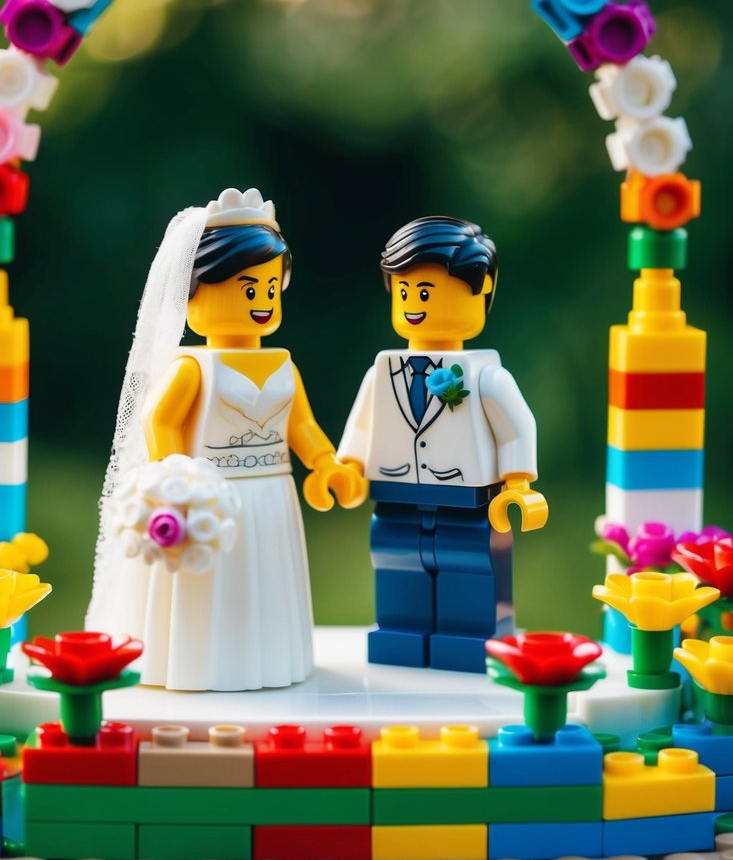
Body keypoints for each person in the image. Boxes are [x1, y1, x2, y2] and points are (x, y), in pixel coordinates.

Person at [87, 188, 365, 691]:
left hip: (272, 495)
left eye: (269, 288)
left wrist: (326, 464)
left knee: (264, 582)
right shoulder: (190, 367)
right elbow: (161, 423)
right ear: (191, 295)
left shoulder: (281, 363)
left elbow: (300, 425)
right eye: (245, 288)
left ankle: (271, 661)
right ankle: (198, 666)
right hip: (209, 495)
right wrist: (179, 484)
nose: (261, 302)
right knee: (208, 582)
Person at [339, 215, 549, 673]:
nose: (414, 303)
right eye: (405, 291)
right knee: (396, 561)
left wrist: (518, 483)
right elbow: (360, 427)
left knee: (470, 565)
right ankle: (401, 634)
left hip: (468, 500)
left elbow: (517, 427)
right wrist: (347, 468)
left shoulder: (485, 375)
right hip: (395, 494)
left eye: (427, 292)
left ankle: (469, 637)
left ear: (482, 289)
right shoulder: (382, 372)